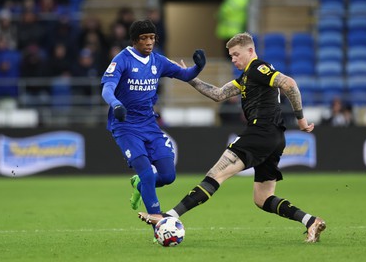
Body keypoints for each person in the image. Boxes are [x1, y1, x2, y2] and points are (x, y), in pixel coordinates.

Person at [138, 32, 326, 243]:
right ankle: (310, 221)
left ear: (250, 51)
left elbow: (289, 83)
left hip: (259, 133)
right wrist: (187, 75)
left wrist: (300, 119)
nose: (233, 59)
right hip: (274, 138)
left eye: (236, 54)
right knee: (262, 198)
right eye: (231, 56)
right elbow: (217, 94)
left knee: (214, 175)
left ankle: (167, 216)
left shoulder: (257, 68)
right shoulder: (246, 76)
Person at [101, 20, 206, 221]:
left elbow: (185, 74)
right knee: (147, 173)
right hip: (126, 127)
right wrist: (115, 104)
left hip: (150, 124)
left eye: (152, 37)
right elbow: (107, 88)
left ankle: (140, 186)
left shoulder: (158, 61)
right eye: (144, 38)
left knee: (168, 176)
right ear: (134, 40)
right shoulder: (122, 60)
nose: (149, 42)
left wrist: (199, 67)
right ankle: (158, 224)